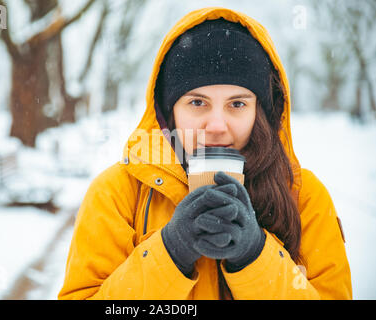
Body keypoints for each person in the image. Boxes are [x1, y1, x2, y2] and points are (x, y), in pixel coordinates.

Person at [58, 7, 352, 300]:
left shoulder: (304, 196)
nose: (216, 126)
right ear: (167, 111)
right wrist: (170, 252)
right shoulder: (117, 193)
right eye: (197, 103)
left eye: (237, 104)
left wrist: (255, 255)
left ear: (260, 112)